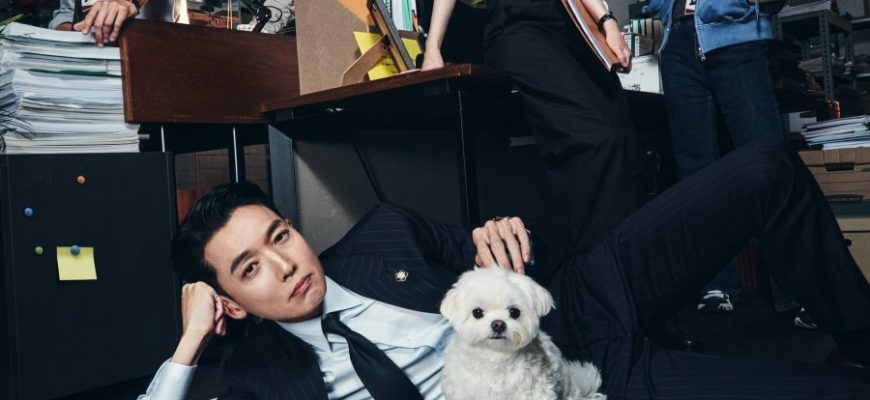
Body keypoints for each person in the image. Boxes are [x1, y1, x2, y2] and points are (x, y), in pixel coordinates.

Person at [140, 141, 870, 399]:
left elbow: (510, 258)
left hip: (585, 298)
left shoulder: (385, 234)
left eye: (280, 235)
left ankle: (859, 331)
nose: (286, 264)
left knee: (766, 168)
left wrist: (504, 234)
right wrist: (188, 345)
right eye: (250, 268)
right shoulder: (263, 379)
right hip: (590, 382)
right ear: (230, 300)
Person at [422, 0, 644, 272]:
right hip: (521, 23)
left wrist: (605, 21)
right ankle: (595, 275)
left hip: (576, 28)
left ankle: (630, 273)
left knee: (625, 147)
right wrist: (433, 47)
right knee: (595, 140)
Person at [645, 0, 808, 317]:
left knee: (768, 161)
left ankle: (797, 291)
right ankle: (716, 284)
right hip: (676, 44)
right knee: (696, 173)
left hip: (735, 38)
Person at [50, 0, 184, 47]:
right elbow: (67, 12)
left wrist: (129, 2)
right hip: (92, 55)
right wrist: (67, 34)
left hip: (147, 52)